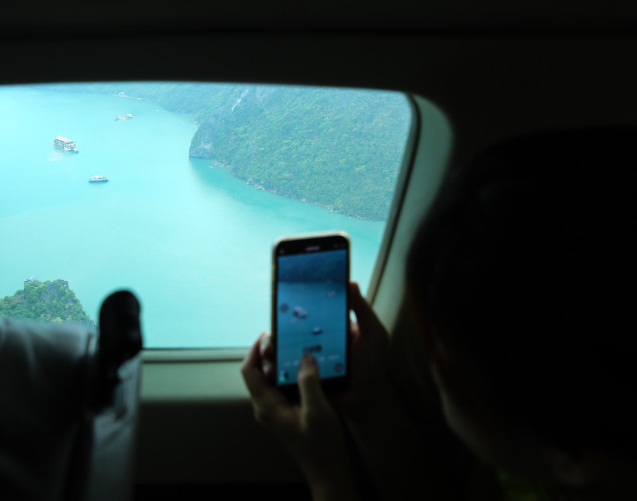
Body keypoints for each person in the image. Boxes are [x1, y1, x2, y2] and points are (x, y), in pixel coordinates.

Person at [242, 128, 637, 500]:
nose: (433, 363)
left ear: (570, 455)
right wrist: (367, 401)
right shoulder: (533, 465)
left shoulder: (535, 465)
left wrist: (327, 478)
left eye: (444, 354)